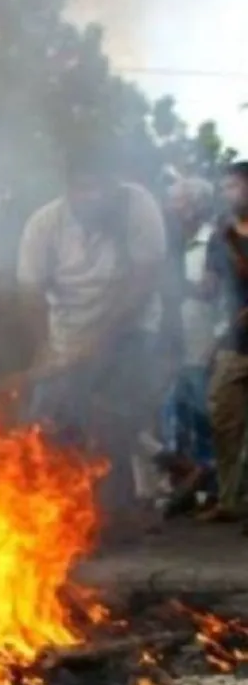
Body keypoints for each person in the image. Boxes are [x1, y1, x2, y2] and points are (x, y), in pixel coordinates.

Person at [17, 148, 168, 533]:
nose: (92, 197)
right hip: (68, 334)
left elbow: (143, 280)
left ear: (114, 185)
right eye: (82, 188)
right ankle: (58, 516)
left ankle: (115, 516)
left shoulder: (138, 207)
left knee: (110, 419)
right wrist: (45, 348)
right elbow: (31, 292)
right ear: (68, 189)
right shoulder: (44, 224)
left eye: (99, 188)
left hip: (131, 329)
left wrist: (103, 338)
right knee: (49, 420)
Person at [156, 178, 220, 516]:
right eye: (172, 201)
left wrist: (179, 286)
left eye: (180, 201)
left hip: (204, 343)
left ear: (197, 205)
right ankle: (185, 486)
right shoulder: (172, 244)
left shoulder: (215, 242)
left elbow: (215, 293)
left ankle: (212, 491)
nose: (173, 208)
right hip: (176, 345)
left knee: (204, 420)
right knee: (173, 419)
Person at [202, 162, 248, 524]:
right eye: (225, 187)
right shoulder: (219, 237)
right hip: (234, 344)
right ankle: (230, 500)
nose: (227, 193)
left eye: (233, 186)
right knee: (223, 420)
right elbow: (211, 288)